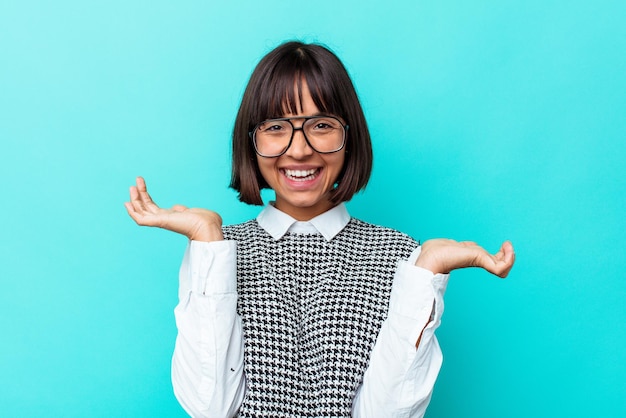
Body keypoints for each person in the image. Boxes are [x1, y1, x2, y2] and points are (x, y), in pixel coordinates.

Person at [125, 41, 515, 417]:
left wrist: (426, 271)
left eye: (321, 125)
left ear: (350, 136)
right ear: (251, 141)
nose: (299, 150)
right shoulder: (219, 252)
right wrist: (209, 241)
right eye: (276, 126)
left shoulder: (397, 256)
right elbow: (210, 408)